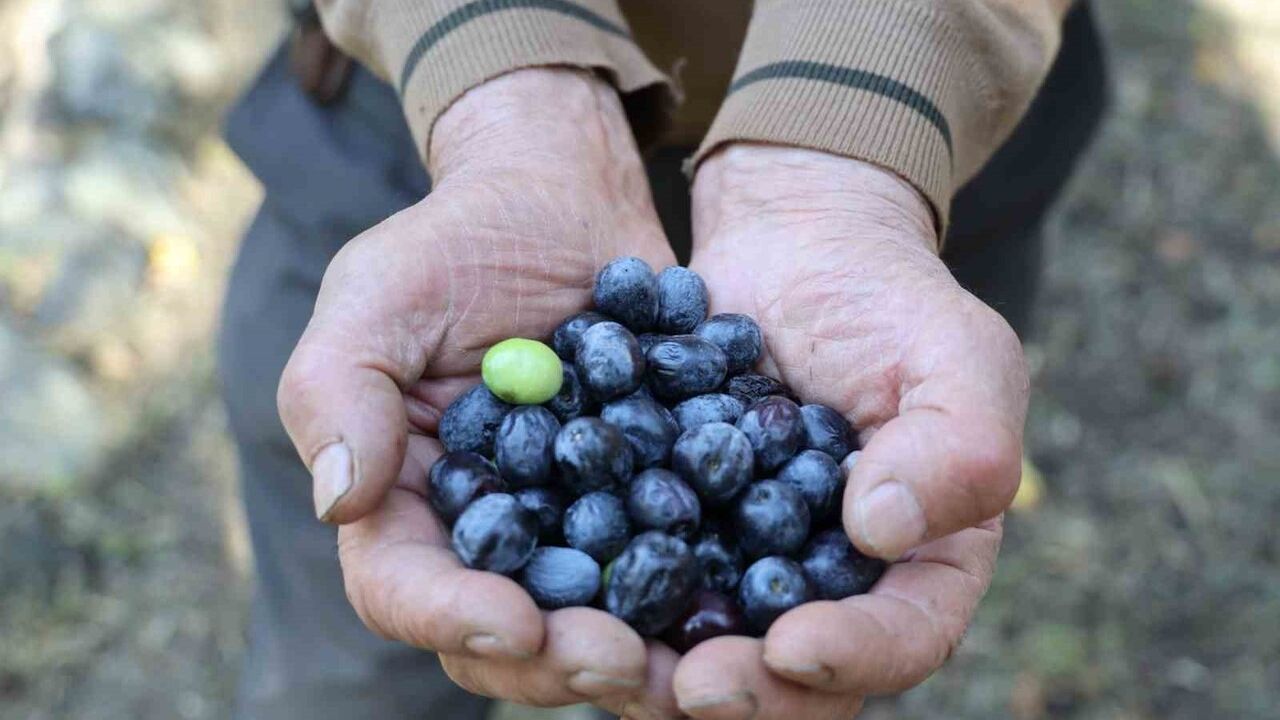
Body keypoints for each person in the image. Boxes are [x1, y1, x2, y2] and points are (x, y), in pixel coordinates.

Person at [218, 1, 1107, 718]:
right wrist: (506, 68)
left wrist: (855, 121)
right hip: (419, 111)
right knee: (346, 675)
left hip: (931, 131)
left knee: (796, 666)